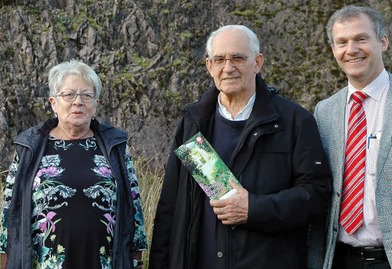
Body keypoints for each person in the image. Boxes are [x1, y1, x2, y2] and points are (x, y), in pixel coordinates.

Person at [149, 25, 332, 269]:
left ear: (257, 63)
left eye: (238, 58)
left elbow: (316, 196)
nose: (228, 67)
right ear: (209, 66)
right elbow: (170, 210)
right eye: (219, 59)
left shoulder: (294, 122)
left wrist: (254, 209)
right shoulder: (194, 124)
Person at [0, 59, 148, 269]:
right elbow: (9, 213)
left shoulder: (116, 148)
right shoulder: (29, 148)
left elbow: (134, 209)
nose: (78, 101)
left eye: (86, 95)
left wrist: (137, 261)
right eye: (69, 94)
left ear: (96, 104)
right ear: (53, 103)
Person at [313, 5, 392, 269]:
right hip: (340, 259)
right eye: (342, 42)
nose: (351, 49)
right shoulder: (324, 112)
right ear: (334, 50)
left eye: (361, 39)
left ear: (383, 41)